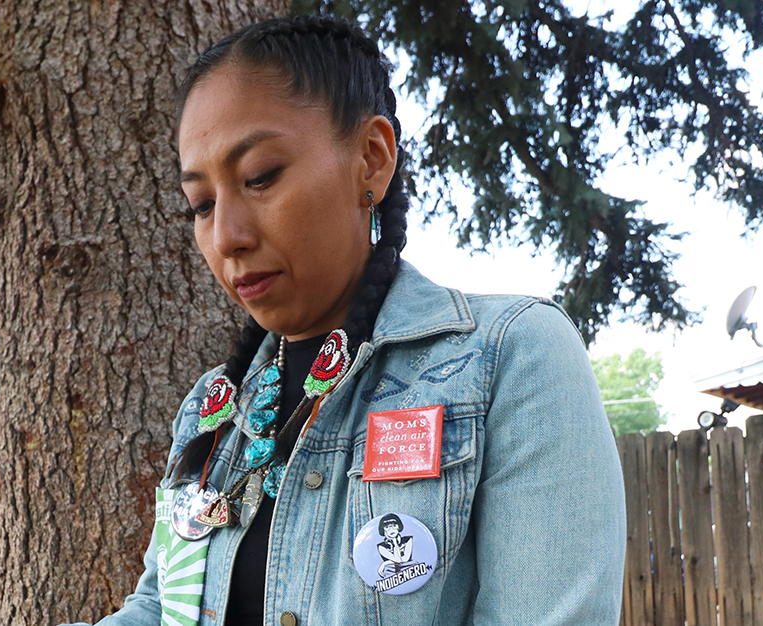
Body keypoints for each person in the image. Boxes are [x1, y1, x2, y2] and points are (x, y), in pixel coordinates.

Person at [66, 14, 625, 626]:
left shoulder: (513, 357)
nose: (226, 236)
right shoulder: (212, 410)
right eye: (201, 204)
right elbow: (161, 604)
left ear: (371, 158)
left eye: (260, 177)